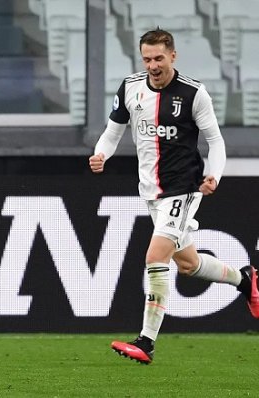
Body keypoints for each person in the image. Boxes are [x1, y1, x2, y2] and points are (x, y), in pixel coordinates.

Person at [89, 28, 259, 364]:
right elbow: (113, 132)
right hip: (150, 191)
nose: (153, 65)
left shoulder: (194, 94)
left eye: (159, 58)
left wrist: (213, 174)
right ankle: (247, 279)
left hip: (182, 189)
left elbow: (217, 142)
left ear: (173, 56)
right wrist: (101, 154)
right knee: (188, 265)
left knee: (155, 256)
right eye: (147, 58)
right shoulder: (131, 88)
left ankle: (146, 342)